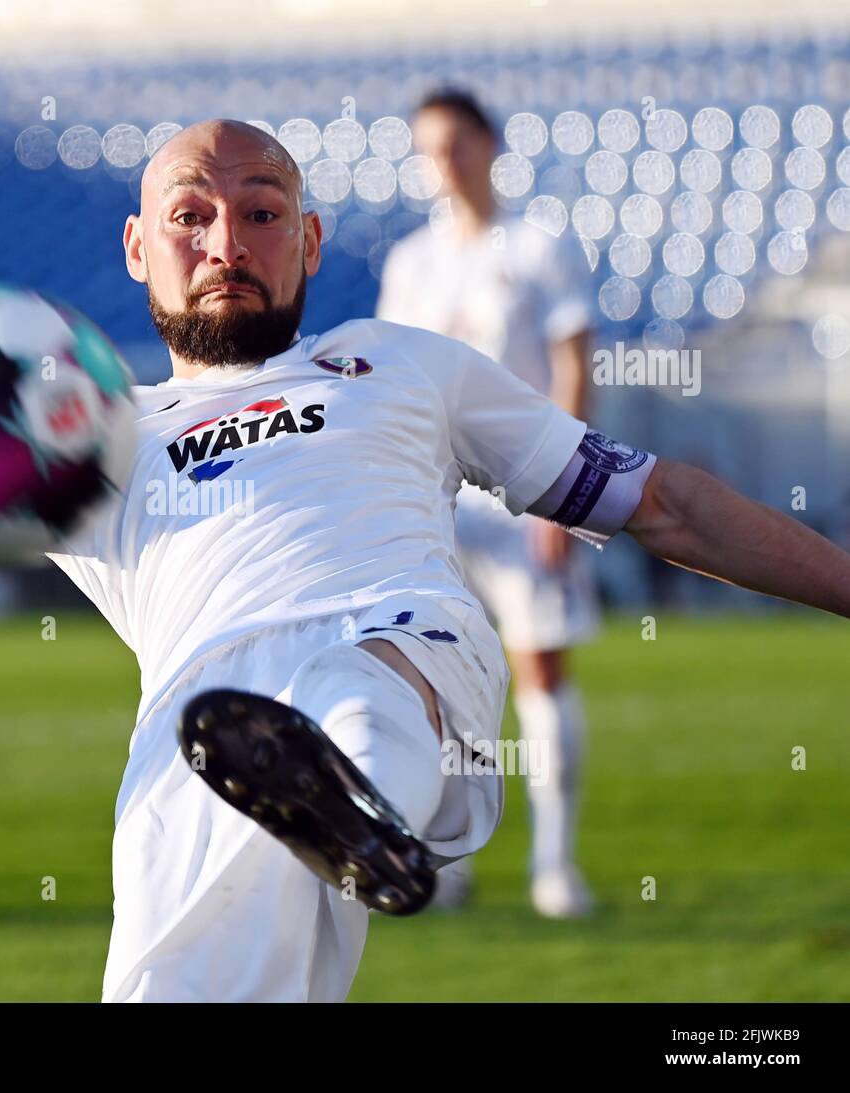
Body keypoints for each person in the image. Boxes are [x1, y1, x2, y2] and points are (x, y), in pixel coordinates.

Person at [0, 101, 850, 1002]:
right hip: (201, 749)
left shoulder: (400, 362)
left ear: (307, 239)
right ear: (139, 246)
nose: (225, 239)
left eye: (260, 211)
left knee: (361, 677)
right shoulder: (89, 441)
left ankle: (362, 797)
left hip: (402, 647)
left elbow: (663, 505)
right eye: (192, 214)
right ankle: (331, 804)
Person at [377, 88, 598, 917]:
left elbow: (574, 365)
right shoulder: (411, 262)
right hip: (440, 504)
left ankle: (555, 865)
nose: (446, 161)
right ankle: (451, 861)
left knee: (540, 667)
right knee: (448, 679)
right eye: (430, 147)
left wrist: (566, 496)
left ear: (490, 143)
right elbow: (393, 387)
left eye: (458, 143)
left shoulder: (541, 246)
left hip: (527, 493)